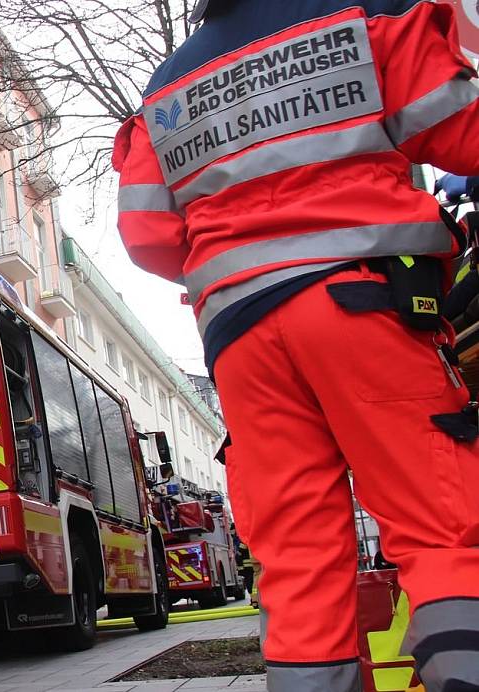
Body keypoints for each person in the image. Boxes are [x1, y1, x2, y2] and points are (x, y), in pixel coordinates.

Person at [113, 1, 479, 689]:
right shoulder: (364, 17)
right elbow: (458, 127)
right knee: (443, 529)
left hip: (243, 338)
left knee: (300, 560)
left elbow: (148, 235)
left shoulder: (167, 84)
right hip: (366, 301)